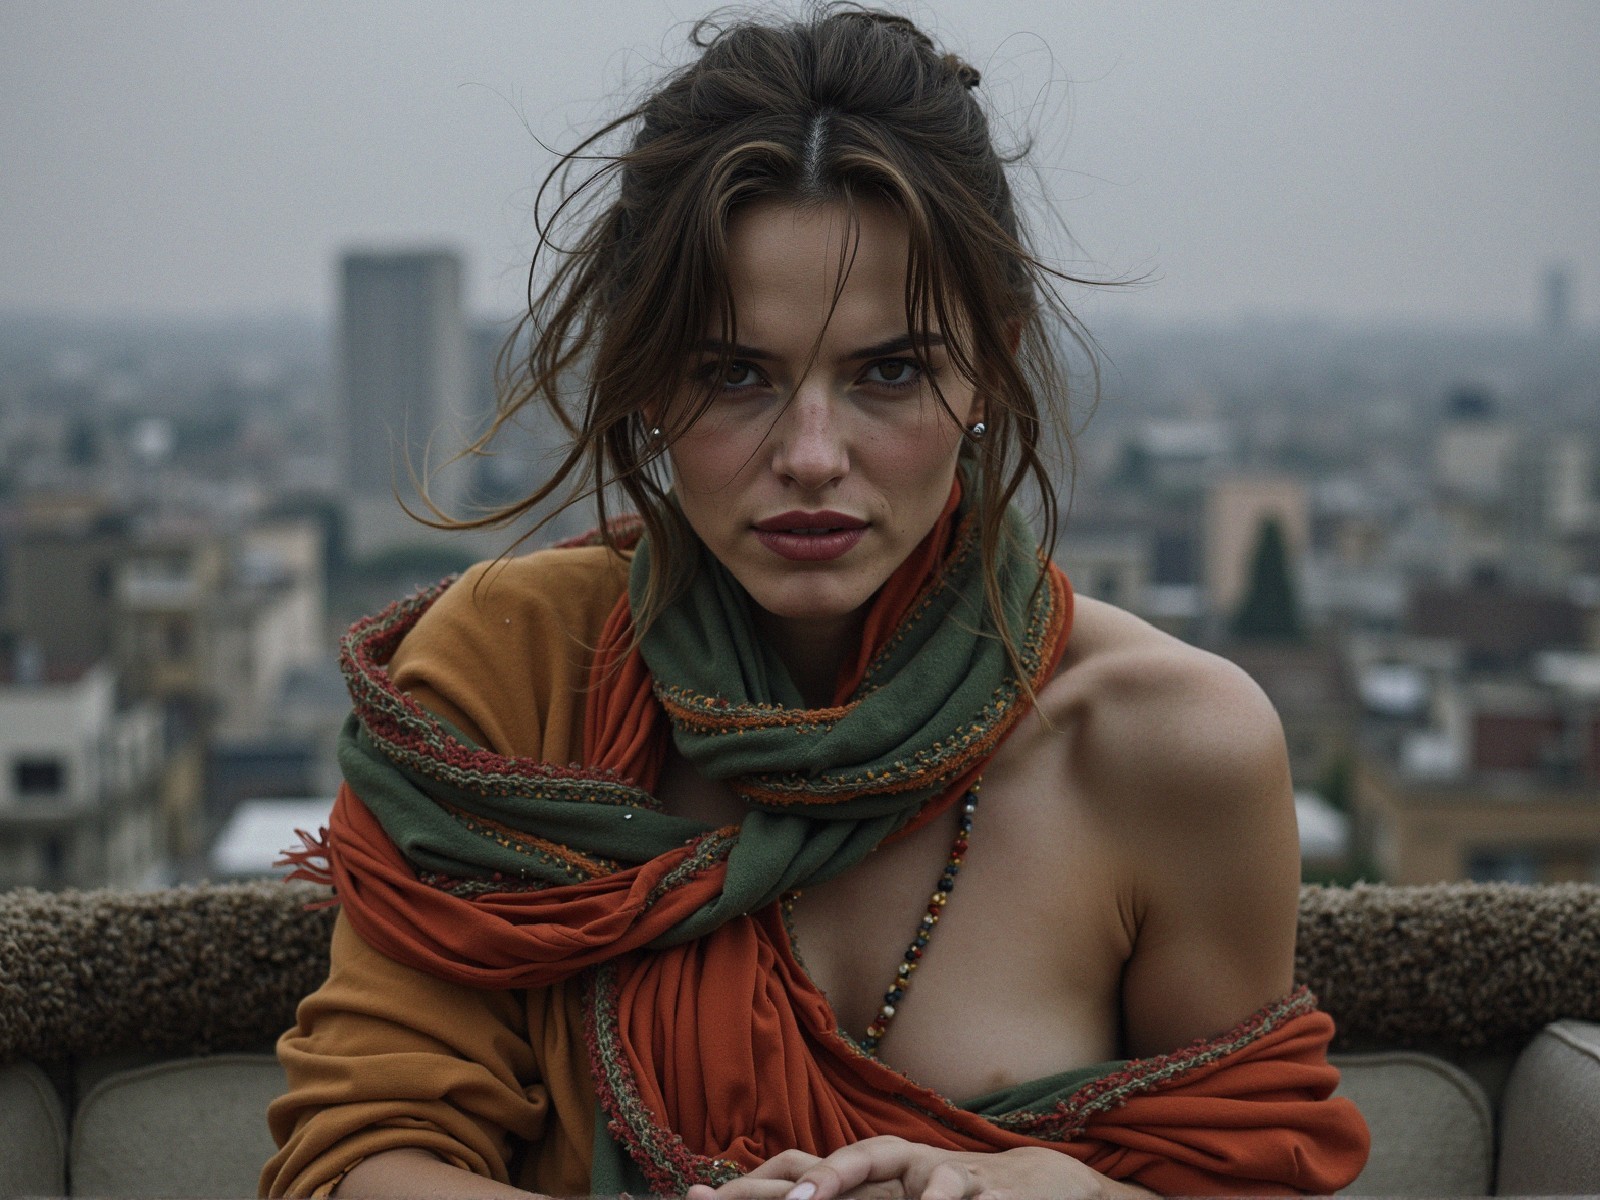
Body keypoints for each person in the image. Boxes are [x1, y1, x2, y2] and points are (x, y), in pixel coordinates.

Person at [263, 8, 1369, 1198]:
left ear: (987, 371)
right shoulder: (507, 673)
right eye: (732, 373)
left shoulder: (1168, 748)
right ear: (643, 384)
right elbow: (359, 1163)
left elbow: (1250, 1177)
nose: (810, 454)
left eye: (888, 371)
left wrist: (1059, 1192)